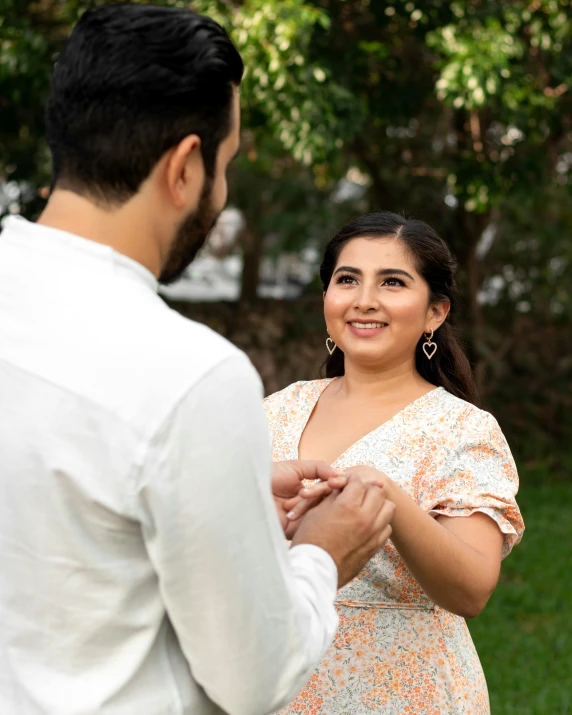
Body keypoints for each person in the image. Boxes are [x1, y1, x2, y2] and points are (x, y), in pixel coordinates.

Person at [0, 7, 396, 715]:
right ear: (185, 166)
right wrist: (322, 554)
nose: (223, 191)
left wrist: (226, 486)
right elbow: (256, 679)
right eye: (228, 162)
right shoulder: (188, 375)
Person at [264, 211, 525, 714]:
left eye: (392, 282)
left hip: (404, 693)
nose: (365, 299)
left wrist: (386, 498)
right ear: (326, 299)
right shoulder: (276, 410)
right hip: (279, 682)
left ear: (435, 313)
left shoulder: (462, 430)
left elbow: (471, 590)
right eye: (347, 280)